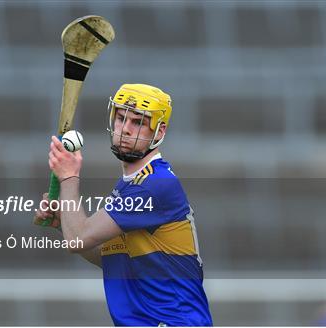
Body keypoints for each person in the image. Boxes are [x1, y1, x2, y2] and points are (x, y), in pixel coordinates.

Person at [34, 83, 213, 326]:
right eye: (121, 118)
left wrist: (68, 175)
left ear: (159, 132)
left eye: (138, 122)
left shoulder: (154, 185)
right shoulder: (129, 187)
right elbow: (112, 259)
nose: (125, 129)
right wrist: (61, 223)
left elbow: (78, 238)